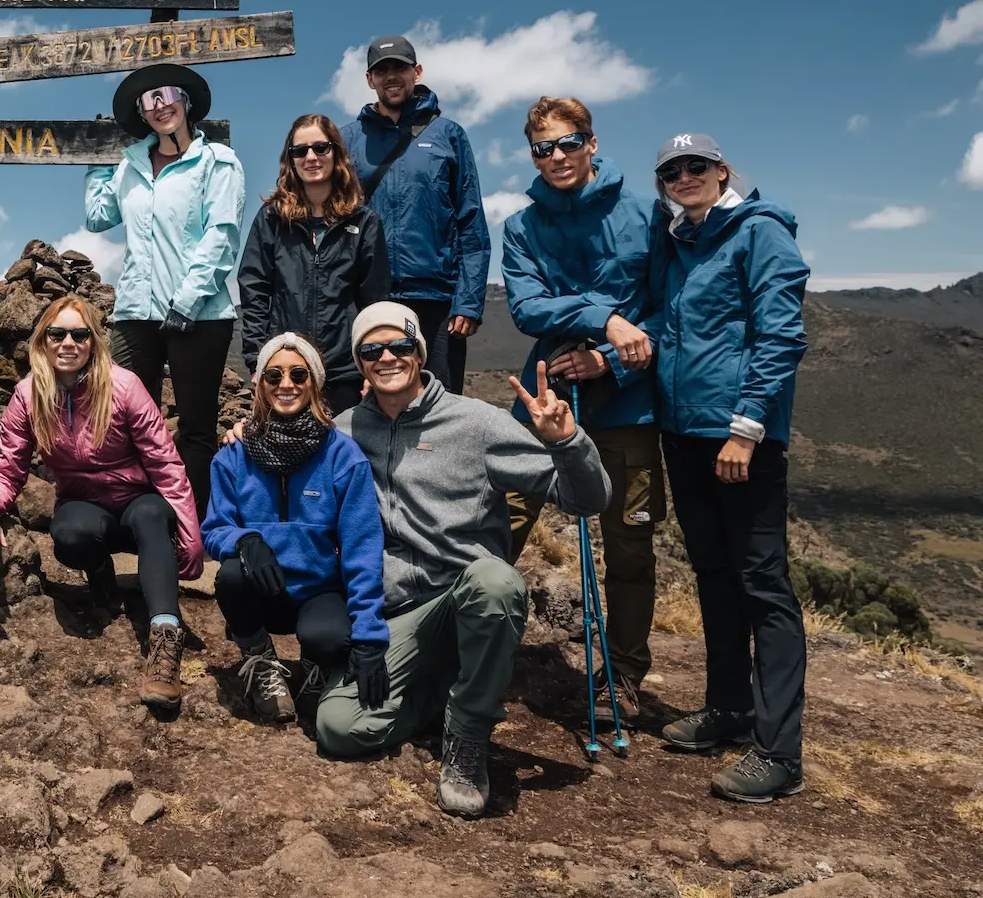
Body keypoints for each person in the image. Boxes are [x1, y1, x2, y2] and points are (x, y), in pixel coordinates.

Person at [318, 303, 610, 819]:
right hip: (395, 618)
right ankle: (441, 690)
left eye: (400, 346)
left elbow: (587, 499)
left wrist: (567, 442)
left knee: (495, 580)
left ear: (419, 352)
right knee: (339, 728)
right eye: (372, 350)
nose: (387, 357)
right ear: (360, 362)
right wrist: (242, 441)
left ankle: (468, 735)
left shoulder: (478, 423)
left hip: (464, 601)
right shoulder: (343, 432)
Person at [647, 132, 810, 804]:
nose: (684, 176)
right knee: (714, 573)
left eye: (697, 166)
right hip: (683, 433)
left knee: (762, 584)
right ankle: (728, 707)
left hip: (739, 439)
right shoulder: (679, 242)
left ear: (723, 171)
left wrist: (745, 430)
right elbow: (666, 327)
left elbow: (781, 335)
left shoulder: (760, 233)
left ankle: (779, 752)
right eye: (671, 170)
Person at [501, 97, 663, 715]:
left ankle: (622, 674)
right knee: (501, 522)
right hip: (545, 394)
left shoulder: (647, 215)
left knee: (628, 544)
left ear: (592, 142)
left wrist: (609, 358)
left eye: (569, 143)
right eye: (543, 148)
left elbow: (668, 311)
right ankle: (462, 641)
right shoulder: (521, 227)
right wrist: (608, 317)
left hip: (628, 402)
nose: (557, 157)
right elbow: (526, 309)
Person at [0, 295, 206, 712]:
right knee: (67, 534)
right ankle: (103, 578)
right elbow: (9, 469)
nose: (68, 342)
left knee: (154, 519)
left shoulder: (123, 386)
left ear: (92, 341)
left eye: (79, 333)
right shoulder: (29, 395)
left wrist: (191, 535)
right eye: (58, 333)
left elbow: (165, 462)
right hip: (85, 504)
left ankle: (164, 639)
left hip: (138, 498)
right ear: (43, 341)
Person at [84, 63, 245, 515]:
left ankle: (192, 526)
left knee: (195, 426)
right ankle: (141, 516)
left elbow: (223, 234)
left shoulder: (219, 163)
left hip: (201, 314)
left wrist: (188, 301)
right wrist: (97, 159)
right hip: (136, 312)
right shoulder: (130, 164)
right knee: (129, 418)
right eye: (148, 100)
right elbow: (98, 216)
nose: (159, 106)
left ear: (186, 101)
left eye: (167, 94)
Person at [203, 334, 387, 725]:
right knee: (232, 575)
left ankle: (314, 671)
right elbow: (215, 527)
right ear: (261, 385)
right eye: (274, 375)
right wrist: (244, 539)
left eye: (298, 374)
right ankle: (262, 662)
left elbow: (362, 547)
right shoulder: (234, 454)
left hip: (318, 590)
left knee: (330, 637)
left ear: (315, 383)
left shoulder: (342, 455)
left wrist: (370, 635)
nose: (286, 384)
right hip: (262, 589)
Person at [339, 36, 487, 394]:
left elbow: (471, 222)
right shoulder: (346, 140)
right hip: (370, 299)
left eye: (400, 68)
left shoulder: (448, 135)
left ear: (416, 72)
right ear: (369, 79)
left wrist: (468, 301)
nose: (392, 77)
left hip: (437, 302)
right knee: (373, 406)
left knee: (443, 408)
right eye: (382, 70)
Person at [238, 113, 390, 413]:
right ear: (290, 159)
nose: (311, 157)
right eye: (300, 151)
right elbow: (254, 293)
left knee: (343, 455)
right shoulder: (271, 219)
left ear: (336, 153)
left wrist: (371, 363)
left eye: (320, 148)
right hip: (285, 371)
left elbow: (375, 302)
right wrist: (258, 361)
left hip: (346, 371)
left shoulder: (364, 222)